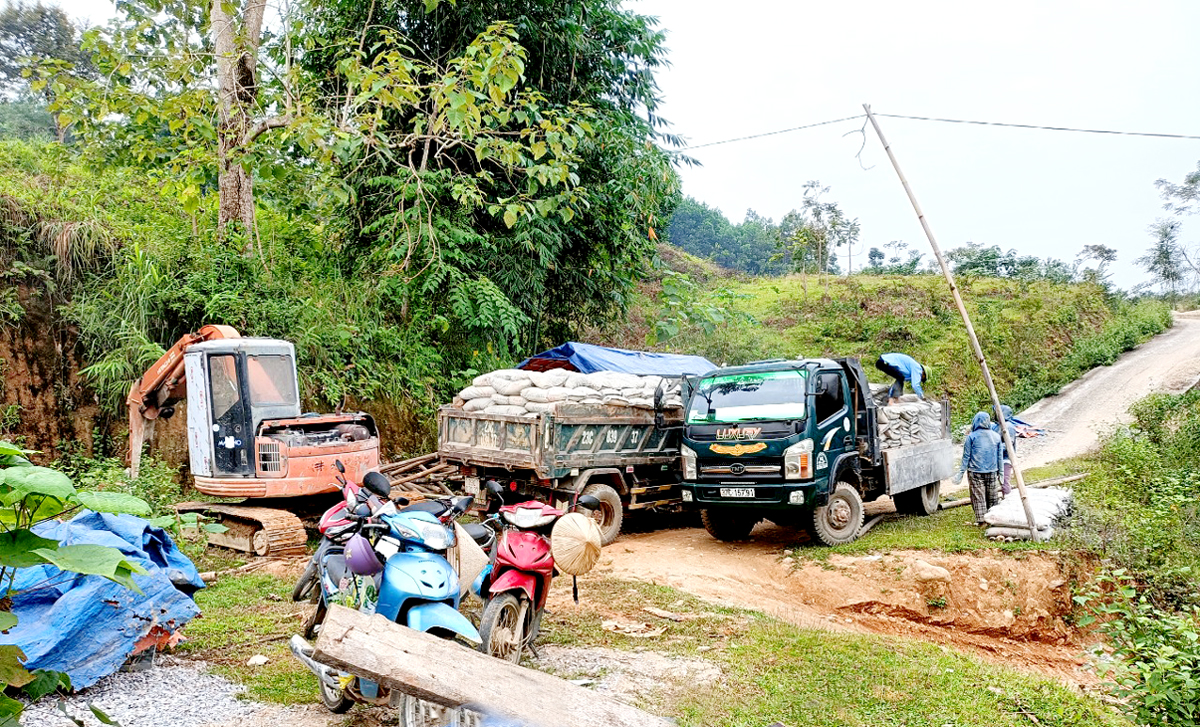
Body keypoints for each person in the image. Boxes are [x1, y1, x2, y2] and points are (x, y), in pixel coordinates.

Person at [952, 412, 1004, 525]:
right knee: (992, 496)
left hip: (975, 472)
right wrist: (1001, 473)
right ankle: (993, 518)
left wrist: (960, 473)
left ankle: (981, 521)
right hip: (992, 471)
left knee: (978, 496)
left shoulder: (971, 437)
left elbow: (966, 457)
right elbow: (1000, 457)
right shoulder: (996, 436)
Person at [991, 404, 1017, 496]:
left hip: (1005, 458)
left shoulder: (1008, 426)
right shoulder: (997, 426)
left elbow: (1009, 444)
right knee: (1000, 480)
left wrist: (995, 449)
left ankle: (1008, 498)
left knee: (1005, 480)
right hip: (998, 458)